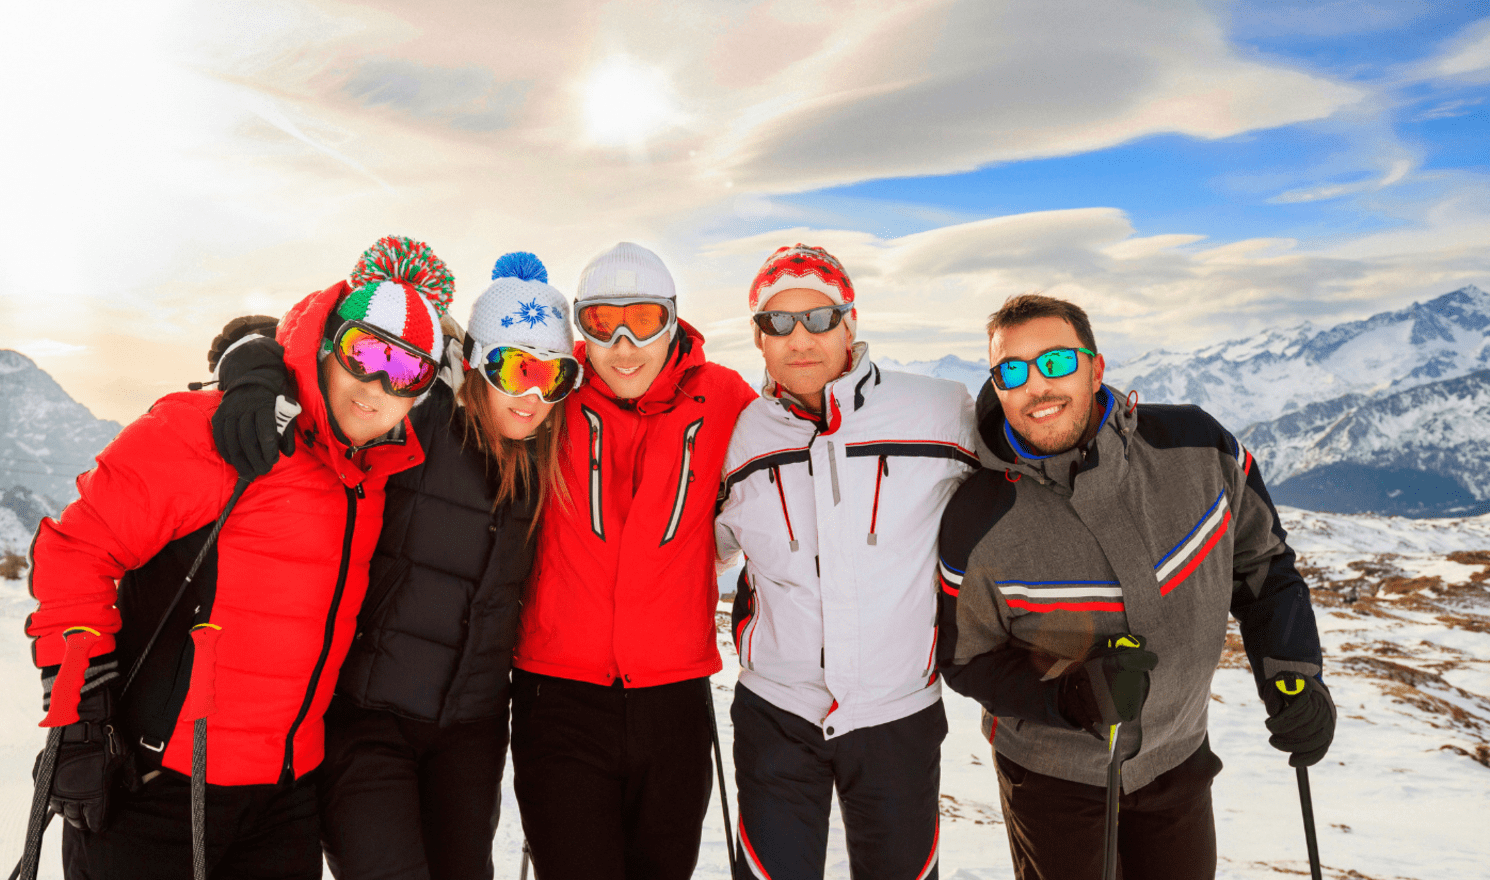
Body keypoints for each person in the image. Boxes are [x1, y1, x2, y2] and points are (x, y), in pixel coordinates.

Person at [24, 236, 452, 879]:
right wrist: (80, 716)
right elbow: (76, 549)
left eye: (408, 372)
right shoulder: (213, 431)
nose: (378, 385)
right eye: (365, 353)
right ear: (329, 344)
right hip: (159, 788)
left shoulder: (372, 473)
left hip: (285, 796)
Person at [936, 293, 1336, 880]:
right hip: (1053, 780)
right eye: (1012, 371)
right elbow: (964, 659)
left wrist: (1293, 672)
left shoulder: (1198, 447)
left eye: (1055, 363)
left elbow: (1262, 566)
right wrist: (1068, 695)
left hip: (1178, 759)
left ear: (1096, 368)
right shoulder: (976, 520)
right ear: (997, 387)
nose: (1036, 388)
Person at [207, 252, 578, 878]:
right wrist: (251, 361)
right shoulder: (419, 416)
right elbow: (331, 349)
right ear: (473, 362)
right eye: (512, 367)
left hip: (471, 731)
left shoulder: (554, 455)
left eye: (550, 375)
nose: (530, 392)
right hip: (369, 717)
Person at [713, 244, 979, 880]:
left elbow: (1031, 475)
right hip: (776, 712)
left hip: (898, 713)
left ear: (850, 323)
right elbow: (699, 550)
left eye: (820, 317)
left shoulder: (942, 412)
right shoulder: (741, 435)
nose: (799, 338)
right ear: (758, 336)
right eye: (779, 322)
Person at [510, 242, 757, 880]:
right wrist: (259, 358)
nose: (623, 346)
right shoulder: (548, 397)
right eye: (600, 322)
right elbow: (454, 380)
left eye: (643, 320)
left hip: (673, 699)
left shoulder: (723, 398)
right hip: (558, 695)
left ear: (674, 321)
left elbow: (809, 428)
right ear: (580, 331)